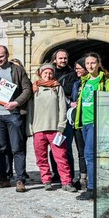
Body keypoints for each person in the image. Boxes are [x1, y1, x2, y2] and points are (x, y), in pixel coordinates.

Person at [0, 46, 32, 192]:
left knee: (17, 148)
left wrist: (16, 102)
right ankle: (2, 178)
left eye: (1, 56)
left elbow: (28, 89)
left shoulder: (17, 70)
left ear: (7, 55)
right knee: (0, 148)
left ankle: (20, 179)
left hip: (13, 113)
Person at [27, 63, 77, 192]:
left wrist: (61, 125)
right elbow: (30, 109)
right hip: (39, 128)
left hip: (55, 129)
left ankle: (66, 182)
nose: (48, 75)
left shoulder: (57, 87)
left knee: (61, 157)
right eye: (45, 73)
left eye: (50, 73)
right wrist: (30, 127)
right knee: (41, 157)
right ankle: (46, 180)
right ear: (41, 73)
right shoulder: (34, 88)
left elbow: (62, 108)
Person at [74, 53, 109, 201]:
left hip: (96, 122)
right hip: (85, 123)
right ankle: (96, 186)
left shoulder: (105, 81)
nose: (90, 66)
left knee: (90, 155)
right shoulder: (84, 81)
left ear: (98, 63)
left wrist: (107, 124)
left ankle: (92, 189)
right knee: (91, 156)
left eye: (93, 63)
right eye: (88, 63)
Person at [50, 49, 77, 185]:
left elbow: (69, 91)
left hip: (65, 113)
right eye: (60, 58)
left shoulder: (72, 74)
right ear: (55, 59)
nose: (63, 60)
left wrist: (57, 88)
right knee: (53, 145)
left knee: (65, 146)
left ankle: (69, 175)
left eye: (65, 58)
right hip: (51, 114)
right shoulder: (50, 73)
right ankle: (56, 173)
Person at [70, 58, 88, 187]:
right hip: (78, 120)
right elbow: (73, 98)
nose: (76, 71)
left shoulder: (93, 83)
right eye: (75, 68)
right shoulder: (77, 84)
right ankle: (83, 178)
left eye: (78, 68)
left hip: (90, 121)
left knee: (92, 152)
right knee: (81, 152)